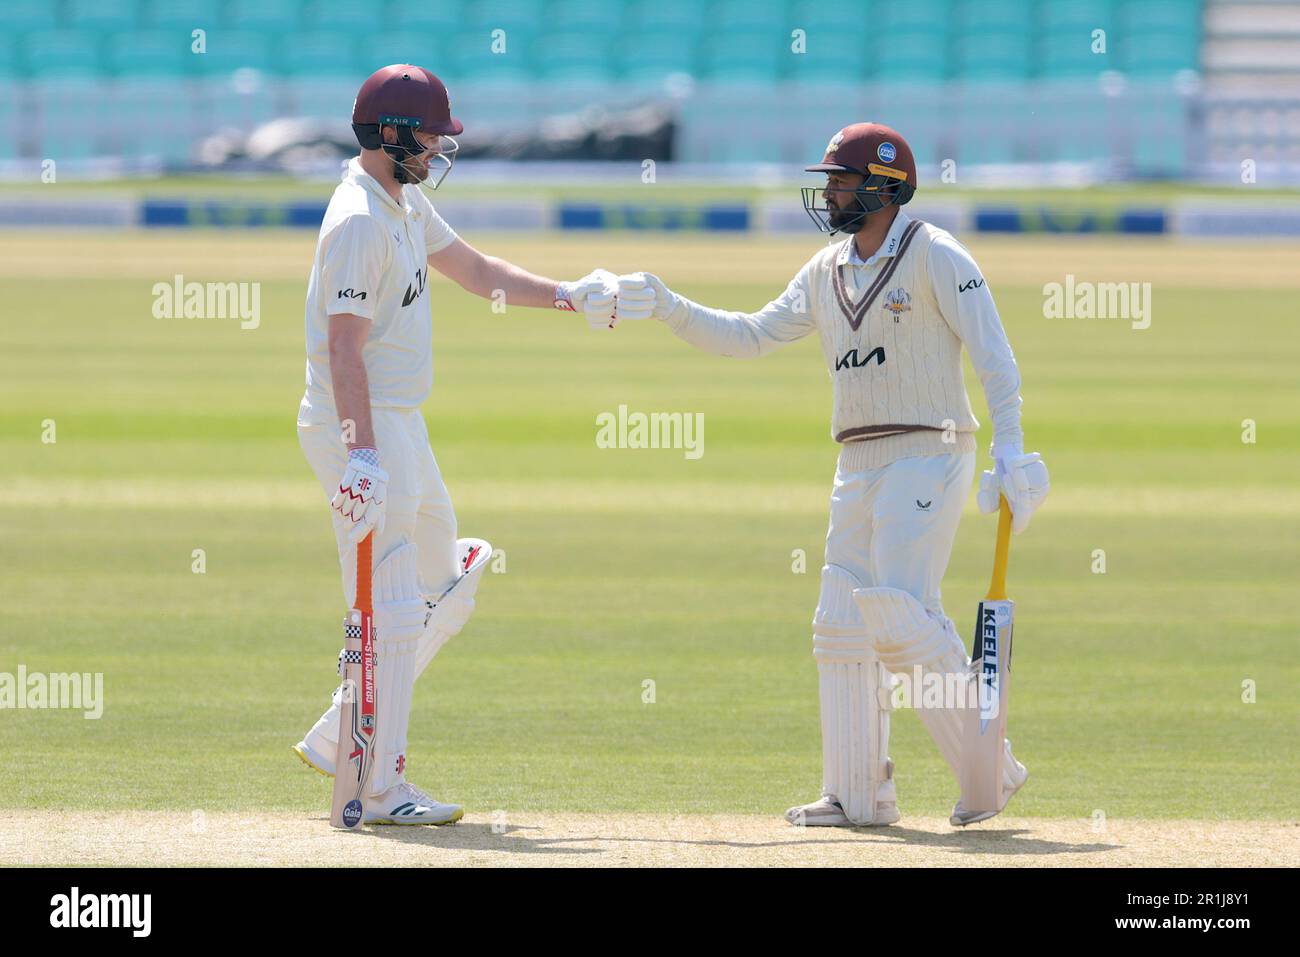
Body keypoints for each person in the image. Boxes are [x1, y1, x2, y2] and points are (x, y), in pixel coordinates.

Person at [611, 123, 1050, 827]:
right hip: (857, 458)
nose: (829, 192)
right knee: (841, 622)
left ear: (884, 186)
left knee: (901, 613)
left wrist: (1013, 450)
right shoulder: (825, 270)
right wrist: (667, 304)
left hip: (931, 448)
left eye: (841, 180)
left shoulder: (936, 254)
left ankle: (988, 770)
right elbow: (749, 335)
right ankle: (858, 794)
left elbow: (995, 357)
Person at [292, 64, 617, 824]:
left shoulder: (399, 205)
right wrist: (362, 454)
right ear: (394, 135)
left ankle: (340, 729)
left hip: (400, 421)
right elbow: (343, 350)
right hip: (362, 422)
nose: (441, 146)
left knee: (452, 577)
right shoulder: (359, 220)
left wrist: (568, 294)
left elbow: (477, 271)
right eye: (432, 134)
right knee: (396, 604)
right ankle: (381, 787)